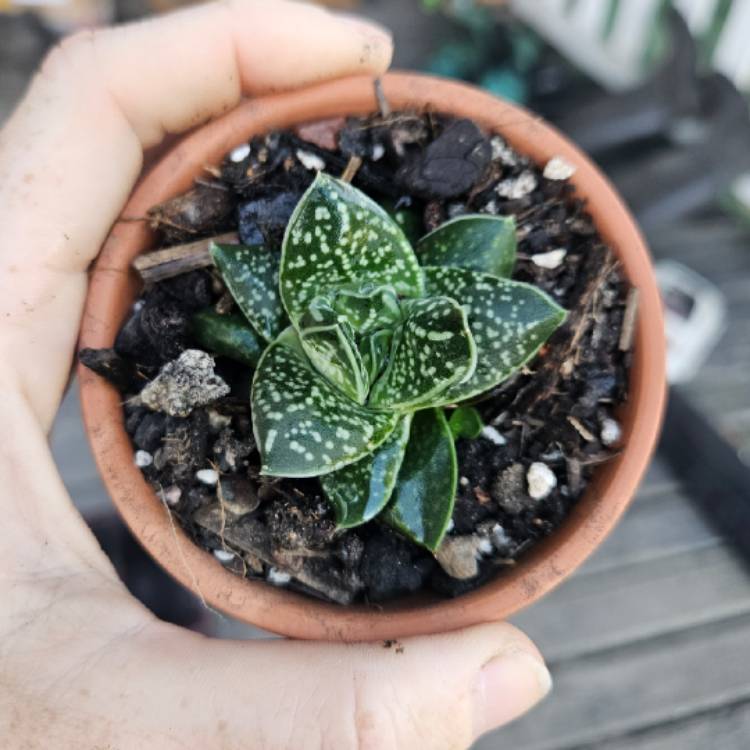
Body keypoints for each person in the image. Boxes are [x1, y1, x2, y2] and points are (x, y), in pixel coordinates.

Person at [0, 1, 551, 747]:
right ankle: (149, 577)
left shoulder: (439, 331)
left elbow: (495, 323)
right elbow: (292, 432)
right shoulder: (310, 344)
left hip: (380, 398)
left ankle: (143, 578)